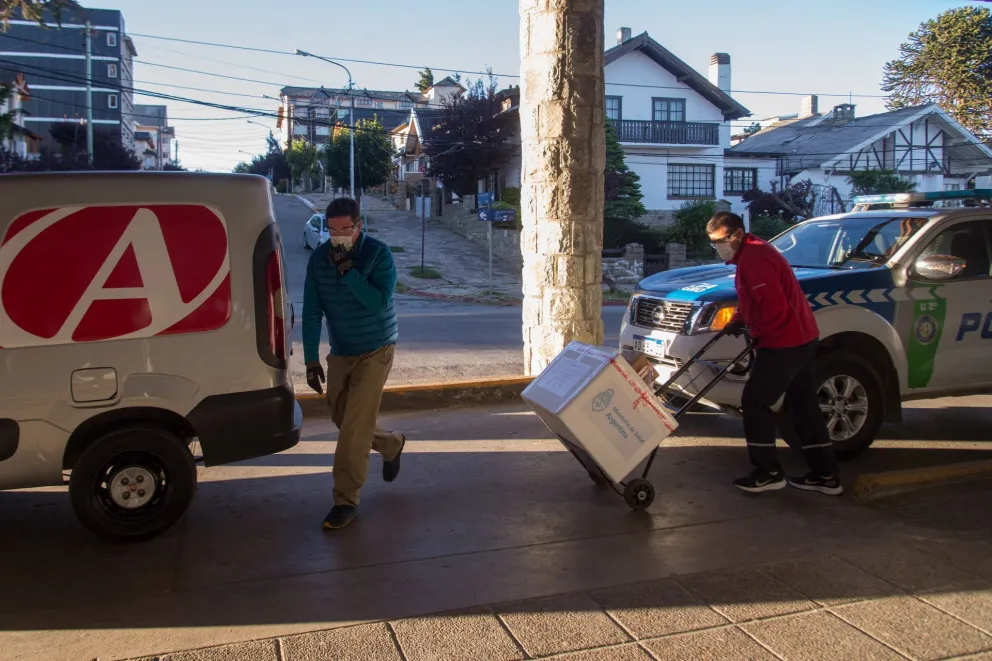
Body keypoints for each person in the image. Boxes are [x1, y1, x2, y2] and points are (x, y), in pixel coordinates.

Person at [706, 211, 842, 496]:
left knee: (755, 402)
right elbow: (753, 298)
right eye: (713, 242)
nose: (718, 247)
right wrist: (739, 318)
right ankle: (825, 474)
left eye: (721, 241)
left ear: (738, 234)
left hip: (784, 341)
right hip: (801, 338)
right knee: (804, 405)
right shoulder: (750, 254)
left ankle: (767, 472)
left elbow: (774, 308)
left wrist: (758, 333)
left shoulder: (755, 257)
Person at [302, 197, 406, 529]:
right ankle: (391, 443)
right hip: (342, 349)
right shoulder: (319, 259)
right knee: (340, 414)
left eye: (345, 229)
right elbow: (311, 311)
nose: (338, 236)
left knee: (354, 428)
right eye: (332, 230)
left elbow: (378, 302)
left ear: (358, 226)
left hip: (376, 348)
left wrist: (347, 271)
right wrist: (310, 360)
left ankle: (345, 499)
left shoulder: (378, 254)